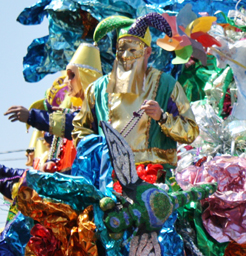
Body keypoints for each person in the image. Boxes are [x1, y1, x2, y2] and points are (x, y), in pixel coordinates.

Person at [72, 13, 199, 167]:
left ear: (147, 52)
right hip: (110, 179)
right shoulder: (97, 89)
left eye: (133, 50)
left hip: (155, 179)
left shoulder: (167, 85)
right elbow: (80, 129)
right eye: (121, 49)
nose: (125, 56)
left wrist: (163, 118)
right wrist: (100, 151)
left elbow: (191, 132)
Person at [4, 43, 103, 171]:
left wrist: (31, 116)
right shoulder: (80, 112)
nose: (66, 81)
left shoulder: (96, 112)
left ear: (85, 77)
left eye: (72, 75)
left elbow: (71, 124)